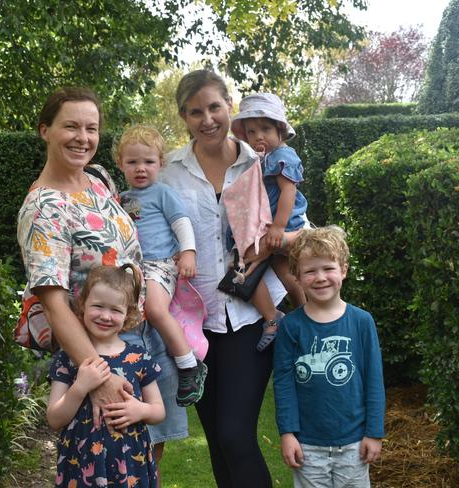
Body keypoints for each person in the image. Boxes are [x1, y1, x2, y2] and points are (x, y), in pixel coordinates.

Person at [16, 87, 187, 481]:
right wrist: (99, 377)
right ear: (45, 130)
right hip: (91, 356)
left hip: (132, 339)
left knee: (139, 457)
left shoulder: (97, 181)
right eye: (71, 126)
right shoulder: (44, 208)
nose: (83, 137)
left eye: (91, 128)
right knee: (100, 464)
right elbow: (55, 303)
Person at [160, 69, 291, 487]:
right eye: (195, 111)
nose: (207, 119)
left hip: (251, 318)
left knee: (236, 435)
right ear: (184, 116)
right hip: (193, 324)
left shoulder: (262, 162)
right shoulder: (169, 174)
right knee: (217, 440)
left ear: (229, 106)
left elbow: (299, 227)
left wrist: (273, 243)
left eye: (214, 107)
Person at [273, 226, 385, 487]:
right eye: (310, 271)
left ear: (343, 270)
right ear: (297, 278)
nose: (320, 277)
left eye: (328, 268)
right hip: (308, 445)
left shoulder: (362, 322)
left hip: (354, 444)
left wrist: (374, 432)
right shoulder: (291, 326)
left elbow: (374, 381)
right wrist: (288, 433)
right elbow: (284, 383)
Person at [47, 264, 165, 487]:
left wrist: (141, 410)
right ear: (82, 304)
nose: (105, 316)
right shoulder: (69, 358)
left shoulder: (138, 356)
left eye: (115, 310)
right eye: (98, 306)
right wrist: (80, 387)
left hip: (130, 466)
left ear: (128, 314)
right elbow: (54, 418)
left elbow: (159, 410)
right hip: (81, 465)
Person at [114, 125, 207, 407]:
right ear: (121, 164)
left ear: (161, 164)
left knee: (154, 309)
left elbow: (181, 223)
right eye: (132, 162)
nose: (141, 168)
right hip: (135, 268)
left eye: (148, 162)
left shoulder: (162, 193)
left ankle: (189, 365)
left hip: (161, 264)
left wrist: (188, 253)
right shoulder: (121, 198)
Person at [227, 92, 308, 352]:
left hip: (284, 224)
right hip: (269, 224)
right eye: (251, 132)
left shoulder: (284, 155)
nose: (258, 136)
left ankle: (302, 312)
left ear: (280, 130)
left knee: (246, 264)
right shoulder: (261, 160)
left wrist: (278, 227)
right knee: (281, 271)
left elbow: (288, 192)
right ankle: (278, 316)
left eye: (265, 129)